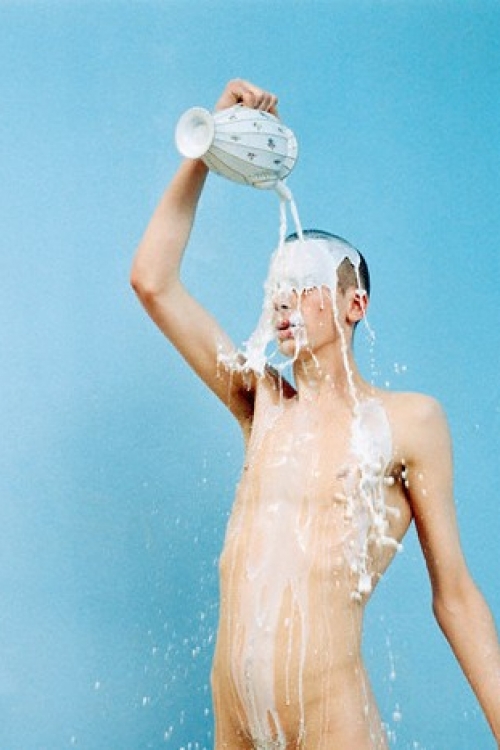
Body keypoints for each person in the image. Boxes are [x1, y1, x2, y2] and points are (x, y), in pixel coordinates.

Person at [130, 79, 500, 749]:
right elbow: (152, 281)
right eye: (277, 288)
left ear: (354, 305)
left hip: (334, 725)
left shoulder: (407, 422)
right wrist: (208, 145)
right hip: (239, 726)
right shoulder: (263, 402)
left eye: (303, 287)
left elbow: (456, 596)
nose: (283, 301)